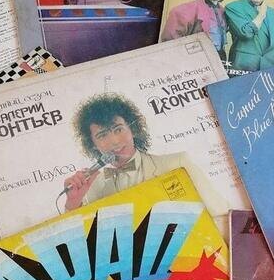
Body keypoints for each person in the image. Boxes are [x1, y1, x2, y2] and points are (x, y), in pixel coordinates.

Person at [62, 94, 228, 228]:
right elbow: (84, 245)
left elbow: (222, 216)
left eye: (118, 129)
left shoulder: (176, 163)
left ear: (133, 129)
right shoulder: (92, 187)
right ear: (93, 145)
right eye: (102, 135)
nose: (114, 141)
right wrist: (73, 203)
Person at [161, 0, 229, 60]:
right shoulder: (185, 10)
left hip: (219, 57)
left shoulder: (223, 11)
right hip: (196, 57)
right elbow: (170, 40)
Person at [224, 0, 274, 72]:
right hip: (244, 64)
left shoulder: (272, 12)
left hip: (270, 66)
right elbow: (246, 33)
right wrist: (261, 15)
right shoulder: (233, 7)